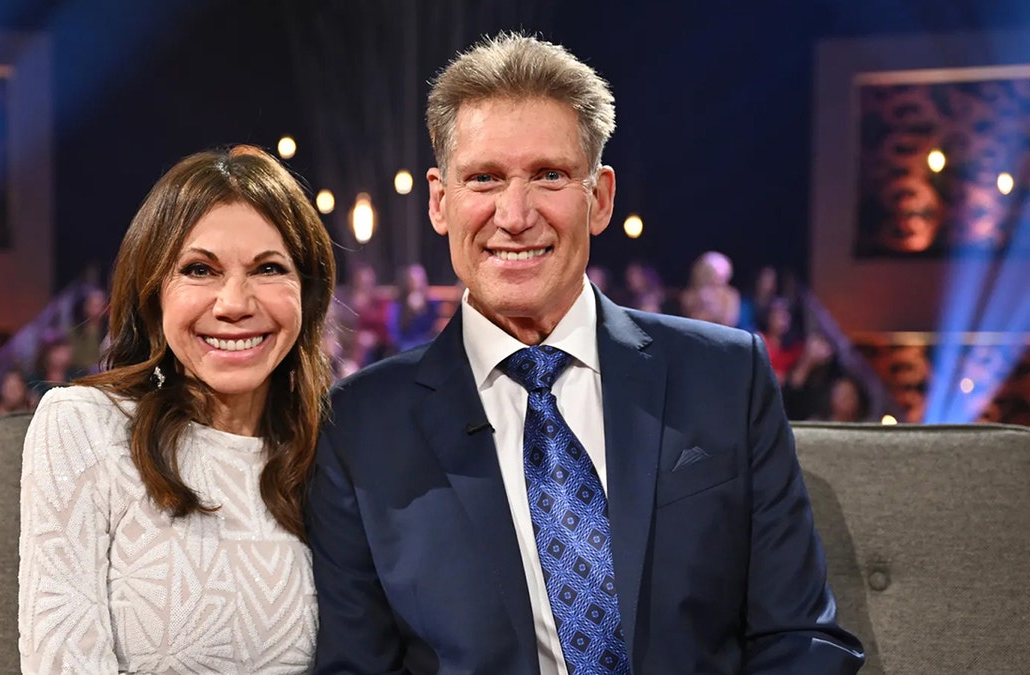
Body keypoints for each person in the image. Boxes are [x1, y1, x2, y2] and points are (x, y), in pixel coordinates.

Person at [306, 33, 864, 674]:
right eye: (484, 178)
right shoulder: (359, 425)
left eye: (548, 176)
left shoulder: (726, 376)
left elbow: (800, 637)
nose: (514, 215)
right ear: (441, 200)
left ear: (598, 198)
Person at [18, 146, 336, 672]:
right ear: (154, 295)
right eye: (199, 270)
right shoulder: (83, 427)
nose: (234, 303)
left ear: (307, 292)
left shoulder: (332, 449)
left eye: (269, 268)